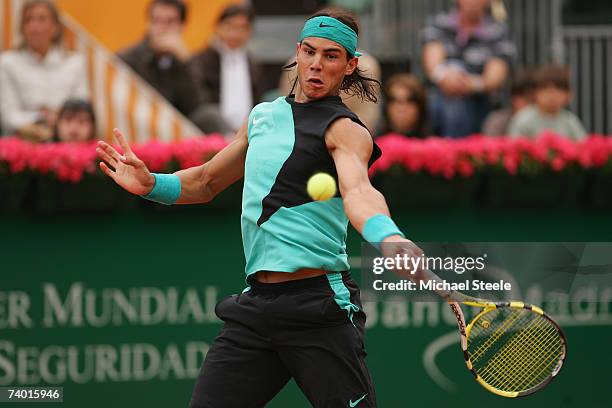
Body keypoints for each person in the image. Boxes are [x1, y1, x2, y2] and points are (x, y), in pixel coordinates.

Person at [96, 8, 423, 407]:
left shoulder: (347, 130)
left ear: (350, 65)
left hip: (318, 308)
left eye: (331, 56)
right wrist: (151, 184)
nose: (317, 65)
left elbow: (358, 191)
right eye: (310, 52)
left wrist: (388, 237)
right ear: (297, 53)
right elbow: (204, 182)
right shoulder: (263, 117)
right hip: (257, 310)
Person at [422, 0, 515, 138]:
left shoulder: (498, 32)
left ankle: (451, 149)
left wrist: (467, 84)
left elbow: (494, 78)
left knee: (456, 90)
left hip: (481, 102)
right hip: (438, 98)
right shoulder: (439, 24)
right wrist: (447, 78)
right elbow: (432, 65)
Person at [0, 0, 89, 139]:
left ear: (55, 27)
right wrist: (42, 117)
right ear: (22, 28)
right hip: (20, 146)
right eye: (28, 20)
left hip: (65, 144)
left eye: (42, 19)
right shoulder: (8, 62)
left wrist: (58, 119)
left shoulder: (74, 63)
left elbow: (82, 111)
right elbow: (8, 117)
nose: (34, 27)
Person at [188, 4, 264, 134]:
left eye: (242, 28)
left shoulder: (253, 63)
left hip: (247, 130)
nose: (235, 33)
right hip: (212, 132)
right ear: (218, 27)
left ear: (249, 31)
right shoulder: (201, 60)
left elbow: (258, 98)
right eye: (230, 26)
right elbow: (199, 101)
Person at [118, 0, 201, 117]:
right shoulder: (128, 58)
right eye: (156, 21)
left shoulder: (186, 59)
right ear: (148, 24)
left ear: (182, 26)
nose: (162, 28)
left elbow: (196, 106)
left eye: (170, 22)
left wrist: (186, 63)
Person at [508, 65, 587, 140]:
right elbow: (515, 147)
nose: (552, 94)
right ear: (535, 93)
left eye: (559, 88)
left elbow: (583, 146)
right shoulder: (523, 119)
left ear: (569, 94)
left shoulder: (570, 121)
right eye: (545, 88)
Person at [482, 68, 535, 136]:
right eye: (525, 98)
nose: (529, 104)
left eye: (532, 99)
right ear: (513, 98)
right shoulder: (497, 121)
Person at [377, 73, 428, 138]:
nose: (401, 108)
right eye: (393, 100)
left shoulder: (435, 145)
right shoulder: (372, 144)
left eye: (410, 100)